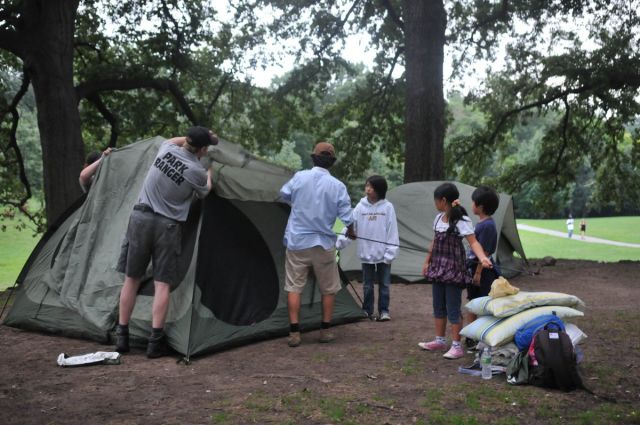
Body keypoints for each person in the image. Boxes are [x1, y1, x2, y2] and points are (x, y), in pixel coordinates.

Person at [115, 126, 217, 358]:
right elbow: (205, 191)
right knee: (162, 284)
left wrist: (201, 137)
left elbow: (176, 139)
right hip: (167, 226)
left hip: (140, 218)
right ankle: (154, 342)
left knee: (131, 279)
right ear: (202, 150)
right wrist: (209, 172)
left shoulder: (165, 149)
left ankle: (122, 336)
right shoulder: (196, 171)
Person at [279, 141, 355, 348]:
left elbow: (283, 194)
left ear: (313, 157)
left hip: (297, 242)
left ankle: (294, 333)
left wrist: (297, 203)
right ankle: (325, 331)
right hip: (323, 243)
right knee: (328, 288)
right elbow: (347, 216)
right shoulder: (338, 186)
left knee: (294, 287)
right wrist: (351, 230)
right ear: (331, 162)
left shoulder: (300, 177)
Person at [418, 182, 492, 360]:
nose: (435, 204)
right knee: (438, 305)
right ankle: (440, 340)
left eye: (436, 200)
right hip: (438, 268)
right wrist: (427, 262)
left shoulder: (462, 221)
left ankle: (457, 345)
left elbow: (474, 243)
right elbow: (434, 242)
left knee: (452, 307)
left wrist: (482, 258)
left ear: (443, 200)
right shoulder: (438, 219)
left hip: (453, 270)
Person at [336, 175, 399, 321]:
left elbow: (392, 230)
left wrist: (391, 252)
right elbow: (351, 227)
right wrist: (339, 243)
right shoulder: (360, 207)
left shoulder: (387, 207)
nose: (368, 189)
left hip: (384, 254)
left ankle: (384, 311)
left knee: (384, 284)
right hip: (366, 253)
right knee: (367, 285)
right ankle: (367, 310)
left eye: (371, 187)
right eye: (367, 186)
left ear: (379, 190)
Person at [464, 186, 501, 349]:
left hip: (483, 271)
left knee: (481, 303)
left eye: (473, 202)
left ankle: (480, 336)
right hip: (474, 268)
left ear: (480, 206)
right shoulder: (482, 223)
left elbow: (484, 252)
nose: (471, 204)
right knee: (472, 302)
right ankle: (471, 336)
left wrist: (478, 273)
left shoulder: (488, 226)